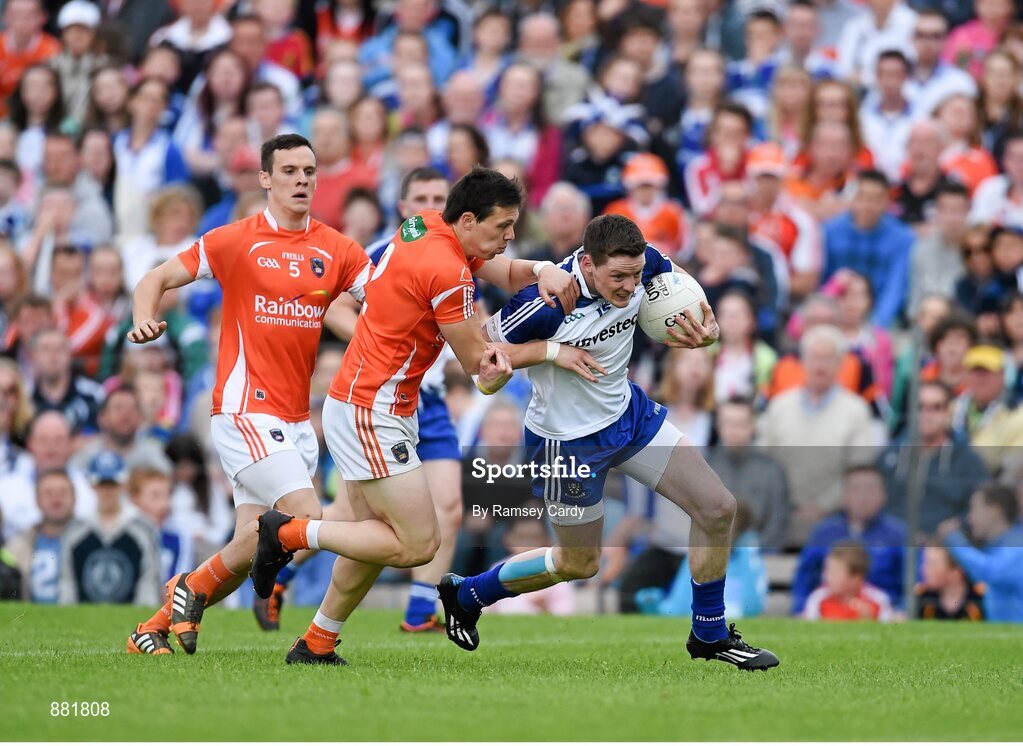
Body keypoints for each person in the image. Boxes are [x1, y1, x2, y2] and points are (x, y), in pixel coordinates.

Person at [251, 167, 595, 665]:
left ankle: (317, 642)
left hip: (370, 401)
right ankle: (288, 533)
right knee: (418, 543)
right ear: (471, 220)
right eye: (504, 226)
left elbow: (499, 269)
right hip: (375, 409)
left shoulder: (425, 228)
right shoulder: (449, 274)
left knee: (375, 536)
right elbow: (483, 370)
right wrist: (549, 350)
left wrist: (541, 269)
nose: (510, 236)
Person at [407, 213, 778, 669]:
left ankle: (710, 634)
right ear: (587, 263)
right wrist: (553, 352)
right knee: (579, 563)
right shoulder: (543, 303)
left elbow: (676, 278)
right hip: (564, 442)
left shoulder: (646, 267)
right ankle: (468, 593)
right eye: (618, 276)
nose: (629, 287)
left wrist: (707, 323)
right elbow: (483, 361)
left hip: (629, 416)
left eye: (636, 275)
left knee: (718, 507)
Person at [123, 134, 375, 657]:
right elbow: (158, 277)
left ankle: (153, 624)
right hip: (244, 410)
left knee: (244, 553)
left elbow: (382, 298)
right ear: (265, 178)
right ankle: (196, 592)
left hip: (297, 420)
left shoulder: (338, 249)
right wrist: (145, 318)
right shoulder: (235, 240)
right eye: (288, 171)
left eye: (309, 170)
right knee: (307, 515)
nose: (301, 179)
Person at [256, 167, 460, 634]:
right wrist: (383, 342)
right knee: (357, 517)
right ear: (403, 206)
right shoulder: (384, 254)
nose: (429, 203)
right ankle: (286, 563)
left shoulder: (458, 257)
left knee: (448, 505)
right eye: (420, 196)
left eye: (438, 196)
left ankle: (417, 611)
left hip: (428, 399)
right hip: (379, 397)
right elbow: (334, 306)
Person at [758, 325, 877, 544]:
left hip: (835, 525)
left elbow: (859, 473)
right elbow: (765, 466)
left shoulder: (856, 411)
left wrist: (823, 508)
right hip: (780, 521)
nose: (820, 365)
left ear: (840, 364)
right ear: (803, 361)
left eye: (828, 358)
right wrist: (787, 506)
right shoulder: (778, 407)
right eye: (814, 357)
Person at [877, 381, 989, 536]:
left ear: (948, 412)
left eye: (936, 407)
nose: (927, 414)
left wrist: (959, 525)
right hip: (892, 547)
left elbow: (985, 507)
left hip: (945, 548)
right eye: (920, 407)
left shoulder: (967, 461)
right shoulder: (889, 457)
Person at [791, 465, 907, 613]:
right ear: (844, 496)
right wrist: (801, 609)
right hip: (828, 611)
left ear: (884, 495)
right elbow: (805, 576)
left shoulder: (898, 534)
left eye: (870, 489)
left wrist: (901, 610)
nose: (863, 497)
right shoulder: (824, 532)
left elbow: (911, 580)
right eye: (856, 489)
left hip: (882, 612)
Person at [57, 451, 163, 606]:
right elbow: (67, 581)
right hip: (84, 617)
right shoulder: (76, 529)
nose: (107, 491)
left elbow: (149, 580)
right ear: (92, 485)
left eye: (112, 484)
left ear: (123, 484)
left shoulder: (142, 527)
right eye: (102, 484)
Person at [822, 169, 915, 327]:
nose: (868, 205)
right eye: (862, 197)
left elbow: (896, 288)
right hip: (835, 315)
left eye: (876, 199)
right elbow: (823, 279)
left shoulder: (903, 238)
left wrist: (876, 326)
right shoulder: (830, 231)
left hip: (881, 319)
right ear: (853, 198)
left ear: (887, 201)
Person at [705, 397, 790, 550]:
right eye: (728, 423)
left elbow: (778, 522)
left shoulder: (771, 470)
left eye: (740, 424)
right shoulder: (705, 466)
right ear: (718, 426)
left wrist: (754, 551)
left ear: (752, 426)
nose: (734, 430)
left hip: (759, 556)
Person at [939, 483, 1023, 622]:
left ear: (995, 511)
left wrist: (955, 540)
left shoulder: (1018, 547)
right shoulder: (998, 547)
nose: (969, 518)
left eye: (974, 509)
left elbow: (991, 571)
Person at [7, 467, 77, 603]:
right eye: (48, 493)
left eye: (63, 493)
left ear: (74, 498)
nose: (56, 499)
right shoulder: (18, 545)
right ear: (37, 500)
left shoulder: (88, 541)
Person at [802, 541, 894, 621]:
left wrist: (869, 621)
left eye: (834, 572)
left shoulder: (878, 600)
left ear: (856, 577)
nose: (827, 577)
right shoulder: (818, 599)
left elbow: (887, 632)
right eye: (827, 570)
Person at [915, 545, 985, 621]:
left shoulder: (981, 598)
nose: (923, 569)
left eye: (932, 564)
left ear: (956, 571)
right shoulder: (921, 598)